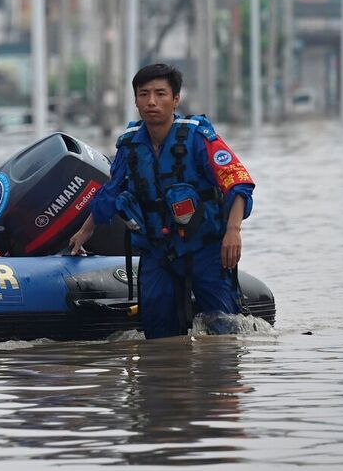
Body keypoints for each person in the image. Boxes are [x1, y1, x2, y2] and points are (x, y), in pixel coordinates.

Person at [67, 63, 255, 339]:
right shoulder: (129, 146)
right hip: (158, 251)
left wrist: (233, 231)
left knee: (222, 332)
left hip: (205, 249)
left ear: (175, 99)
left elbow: (238, 182)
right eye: (144, 94)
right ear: (135, 100)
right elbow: (110, 193)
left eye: (160, 94)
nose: (151, 102)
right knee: (157, 335)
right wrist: (84, 233)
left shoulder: (197, 137)